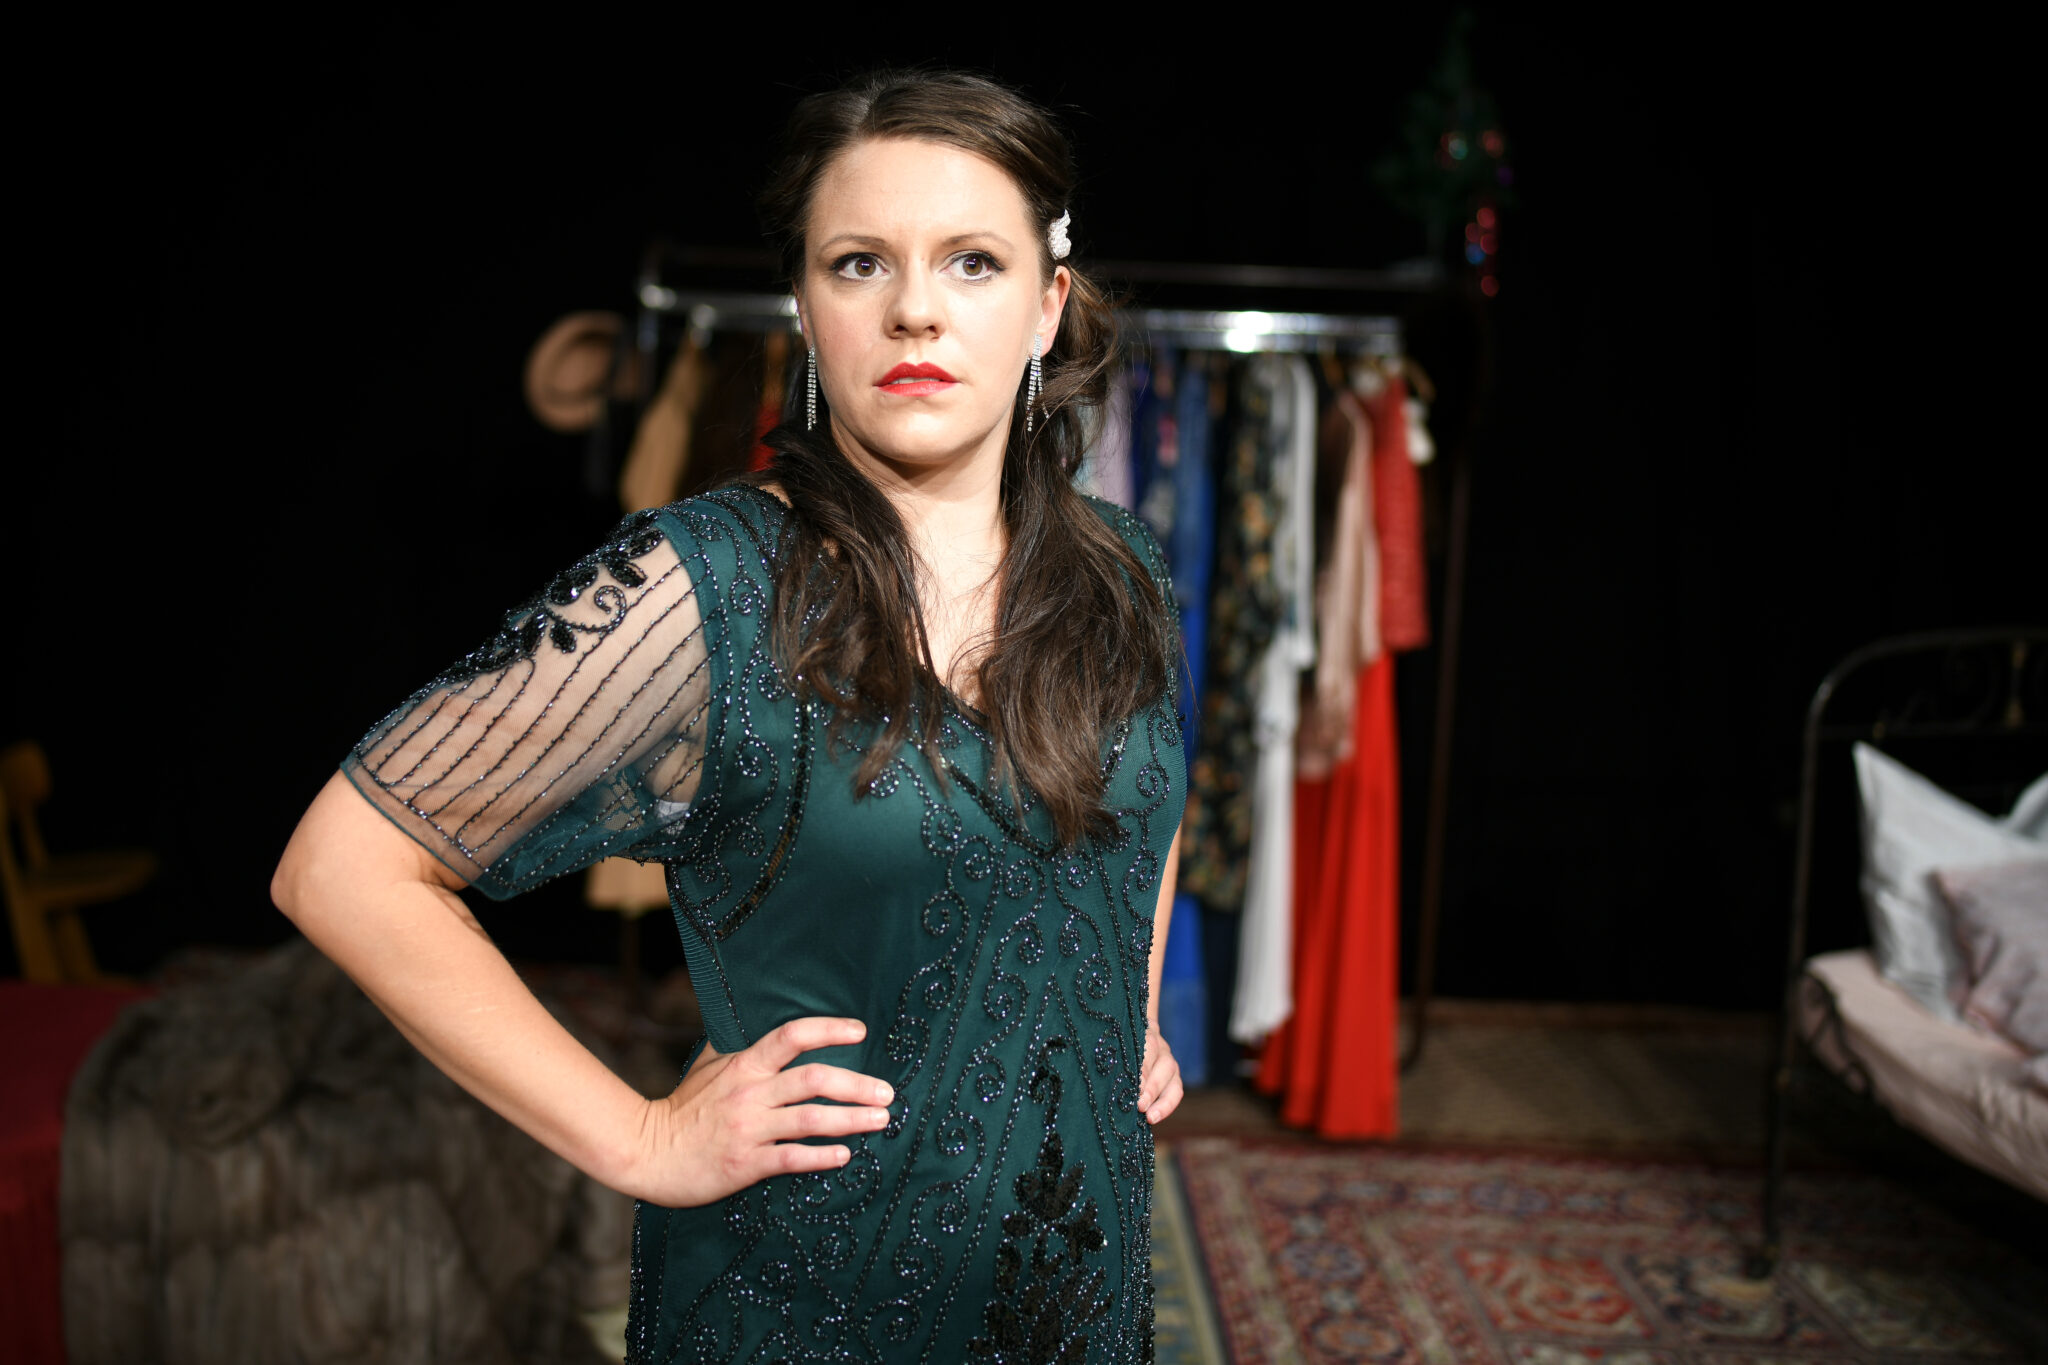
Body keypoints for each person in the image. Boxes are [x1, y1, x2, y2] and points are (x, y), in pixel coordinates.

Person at [273, 68, 1186, 1362]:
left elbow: (1136, 810)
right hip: (802, 1302)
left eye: (972, 261)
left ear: (1046, 302)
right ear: (806, 307)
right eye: (861, 263)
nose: (915, 307)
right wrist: (637, 1135)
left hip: (1078, 1296)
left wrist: (1118, 1006)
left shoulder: (1122, 570)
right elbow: (343, 867)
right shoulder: (704, 588)